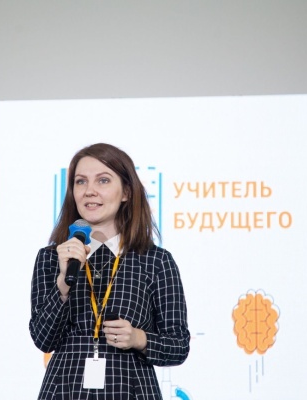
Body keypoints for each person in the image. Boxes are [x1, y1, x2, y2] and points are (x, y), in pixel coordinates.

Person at [29, 143, 190, 399]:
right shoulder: (53, 257)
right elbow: (43, 339)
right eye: (81, 182)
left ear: (126, 192)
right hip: (65, 390)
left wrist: (138, 338)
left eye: (103, 180)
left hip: (131, 389)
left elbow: (178, 346)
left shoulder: (155, 261)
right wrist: (63, 285)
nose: (89, 191)